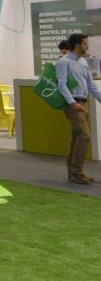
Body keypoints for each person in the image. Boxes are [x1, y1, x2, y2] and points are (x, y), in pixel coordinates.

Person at [55, 33, 101, 184]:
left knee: (77, 137)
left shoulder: (83, 62)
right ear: (77, 45)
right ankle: (77, 171)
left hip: (83, 102)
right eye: (85, 43)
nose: (87, 46)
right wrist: (72, 103)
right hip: (73, 104)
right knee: (84, 135)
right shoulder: (63, 62)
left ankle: (72, 172)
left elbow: (90, 85)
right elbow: (61, 84)